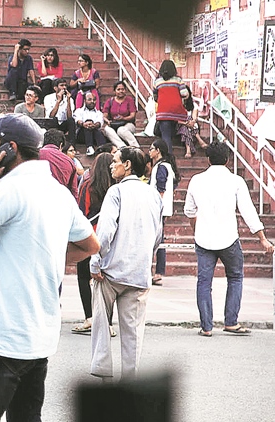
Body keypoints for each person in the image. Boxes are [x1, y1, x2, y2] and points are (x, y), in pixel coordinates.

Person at [0, 113, 98, 420]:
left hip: (4, 338)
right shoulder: (57, 192)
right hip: (39, 336)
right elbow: (90, 245)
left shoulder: (10, 191)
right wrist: (45, 253)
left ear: (10, 148)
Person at [184, 141, 274, 337]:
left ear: (208, 159)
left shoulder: (196, 180)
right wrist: (262, 239)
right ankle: (231, 322)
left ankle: (206, 327)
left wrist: (196, 229)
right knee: (235, 278)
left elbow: (189, 211)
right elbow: (248, 211)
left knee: (204, 282)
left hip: (204, 239)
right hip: (229, 239)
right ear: (227, 160)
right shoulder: (236, 181)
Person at [90, 146, 163, 381]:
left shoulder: (116, 191)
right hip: (138, 273)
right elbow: (157, 236)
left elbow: (105, 231)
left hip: (110, 272)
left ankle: (103, 372)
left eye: (116, 161)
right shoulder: (153, 194)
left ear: (128, 165)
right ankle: (129, 381)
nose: (112, 165)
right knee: (133, 333)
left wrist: (96, 261)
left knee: (101, 323)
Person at [71, 152, 115, 335]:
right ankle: (108, 323)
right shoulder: (116, 187)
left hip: (90, 237)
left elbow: (82, 211)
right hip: (110, 238)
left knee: (83, 277)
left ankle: (90, 318)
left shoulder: (89, 185)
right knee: (106, 281)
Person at [148, 140, 180, 287]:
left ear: (158, 151)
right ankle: (157, 272)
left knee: (156, 240)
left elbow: (160, 187)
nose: (149, 152)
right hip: (163, 208)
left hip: (157, 208)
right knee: (159, 240)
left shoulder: (161, 167)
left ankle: (156, 273)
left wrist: (156, 205)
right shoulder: (167, 166)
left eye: (152, 149)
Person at [153, 59, 188, 155]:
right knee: (172, 131)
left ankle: (169, 157)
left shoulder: (157, 81)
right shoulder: (178, 80)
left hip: (163, 111)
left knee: (166, 135)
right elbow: (184, 93)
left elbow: (155, 97)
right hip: (177, 111)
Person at [39, 128, 78, 197]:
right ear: (61, 145)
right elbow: (74, 191)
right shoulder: (69, 161)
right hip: (60, 200)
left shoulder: (33, 156)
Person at [101, 80, 139, 148]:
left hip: (128, 124)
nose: (121, 91)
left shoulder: (130, 100)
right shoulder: (110, 101)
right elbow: (104, 116)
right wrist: (108, 121)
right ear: (114, 91)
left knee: (121, 130)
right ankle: (122, 147)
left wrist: (123, 118)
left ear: (125, 90)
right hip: (114, 124)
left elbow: (133, 115)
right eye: (118, 89)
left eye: (123, 89)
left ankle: (135, 146)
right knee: (107, 129)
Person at [44, 78, 76, 143]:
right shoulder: (48, 98)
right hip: (52, 124)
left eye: (65, 85)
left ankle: (72, 145)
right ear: (55, 88)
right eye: (61, 85)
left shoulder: (70, 99)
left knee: (71, 120)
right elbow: (51, 115)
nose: (64, 87)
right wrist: (58, 101)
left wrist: (68, 101)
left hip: (63, 124)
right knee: (54, 119)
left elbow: (69, 116)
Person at [74, 91, 106, 156]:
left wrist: (93, 125)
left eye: (94, 100)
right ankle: (90, 147)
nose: (92, 101)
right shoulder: (79, 111)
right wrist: (84, 124)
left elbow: (99, 123)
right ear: (85, 101)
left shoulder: (99, 113)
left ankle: (101, 148)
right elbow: (77, 120)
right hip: (81, 136)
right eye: (89, 99)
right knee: (87, 125)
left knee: (95, 129)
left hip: (94, 134)